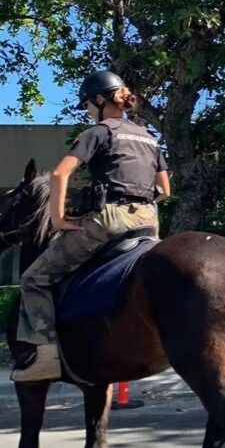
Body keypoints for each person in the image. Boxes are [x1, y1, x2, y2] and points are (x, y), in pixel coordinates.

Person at [12, 71, 170, 382]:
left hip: (109, 221)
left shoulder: (99, 131)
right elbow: (165, 190)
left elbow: (59, 174)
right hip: (149, 220)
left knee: (33, 279)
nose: (86, 111)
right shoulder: (148, 138)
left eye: (86, 104)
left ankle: (45, 357)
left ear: (99, 100)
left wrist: (59, 220)